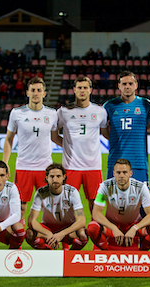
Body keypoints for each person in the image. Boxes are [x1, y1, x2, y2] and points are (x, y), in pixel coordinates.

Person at [3, 77, 58, 222]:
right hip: (24, 167)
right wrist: (5, 162)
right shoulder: (17, 113)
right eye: (33, 90)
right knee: (20, 207)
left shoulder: (52, 114)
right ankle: (18, 242)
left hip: (45, 168)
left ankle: (48, 240)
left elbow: (55, 137)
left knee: (49, 207)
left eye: (39, 90)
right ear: (27, 93)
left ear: (44, 94)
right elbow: (9, 139)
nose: (35, 93)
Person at [52, 76, 108, 212]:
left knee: (96, 203)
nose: (82, 91)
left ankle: (96, 231)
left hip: (93, 167)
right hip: (71, 167)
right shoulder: (63, 112)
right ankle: (72, 233)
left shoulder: (100, 111)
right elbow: (53, 136)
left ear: (90, 90)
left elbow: (106, 133)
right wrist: (67, 146)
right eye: (79, 88)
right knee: (67, 204)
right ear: (74, 90)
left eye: (85, 88)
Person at [87, 159, 150, 250]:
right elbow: (96, 213)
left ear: (130, 173)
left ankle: (141, 253)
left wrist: (135, 228)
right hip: (112, 226)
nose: (121, 175)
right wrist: (113, 228)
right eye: (118, 172)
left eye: (125, 172)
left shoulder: (141, 187)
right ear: (113, 173)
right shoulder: (105, 186)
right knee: (92, 228)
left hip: (134, 226)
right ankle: (106, 251)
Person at [103, 71, 150, 183]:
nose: (127, 86)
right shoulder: (109, 106)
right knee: (109, 198)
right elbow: (103, 129)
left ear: (136, 85)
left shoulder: (146, 104)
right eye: (124, 84)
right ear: (119, 86)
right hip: (115, 162)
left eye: (130, 84)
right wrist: (115, 137)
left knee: (141, 199)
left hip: (139, 162)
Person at [26, 163, 88, 250]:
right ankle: (47, 252)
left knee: (82, 234)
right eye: (52, 176)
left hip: (68, 228)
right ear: (47, 178)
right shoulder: (41, 192)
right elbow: (31, 221)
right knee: (29, 234)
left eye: (58, 176)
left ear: (64, 177)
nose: (55, 179)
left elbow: (82, 221)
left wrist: (62, 233)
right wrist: (48, 233)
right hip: (48, 227)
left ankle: (70, 256)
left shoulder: (72, 192)